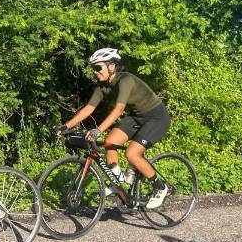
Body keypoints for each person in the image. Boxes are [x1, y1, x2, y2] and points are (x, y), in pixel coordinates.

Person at [55, 48, 171, 208]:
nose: (95, 72)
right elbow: (89, 108)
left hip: (156, 118)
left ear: (112, 66)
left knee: (132, 153)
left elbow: (118, 109)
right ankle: (119, 182)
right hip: (137, 117)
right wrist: (65, 126)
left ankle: (160, 187)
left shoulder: (126, 80)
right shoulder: (103, 86)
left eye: (98, 68)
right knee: (110, 142)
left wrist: (98, 130)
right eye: (93, 68)